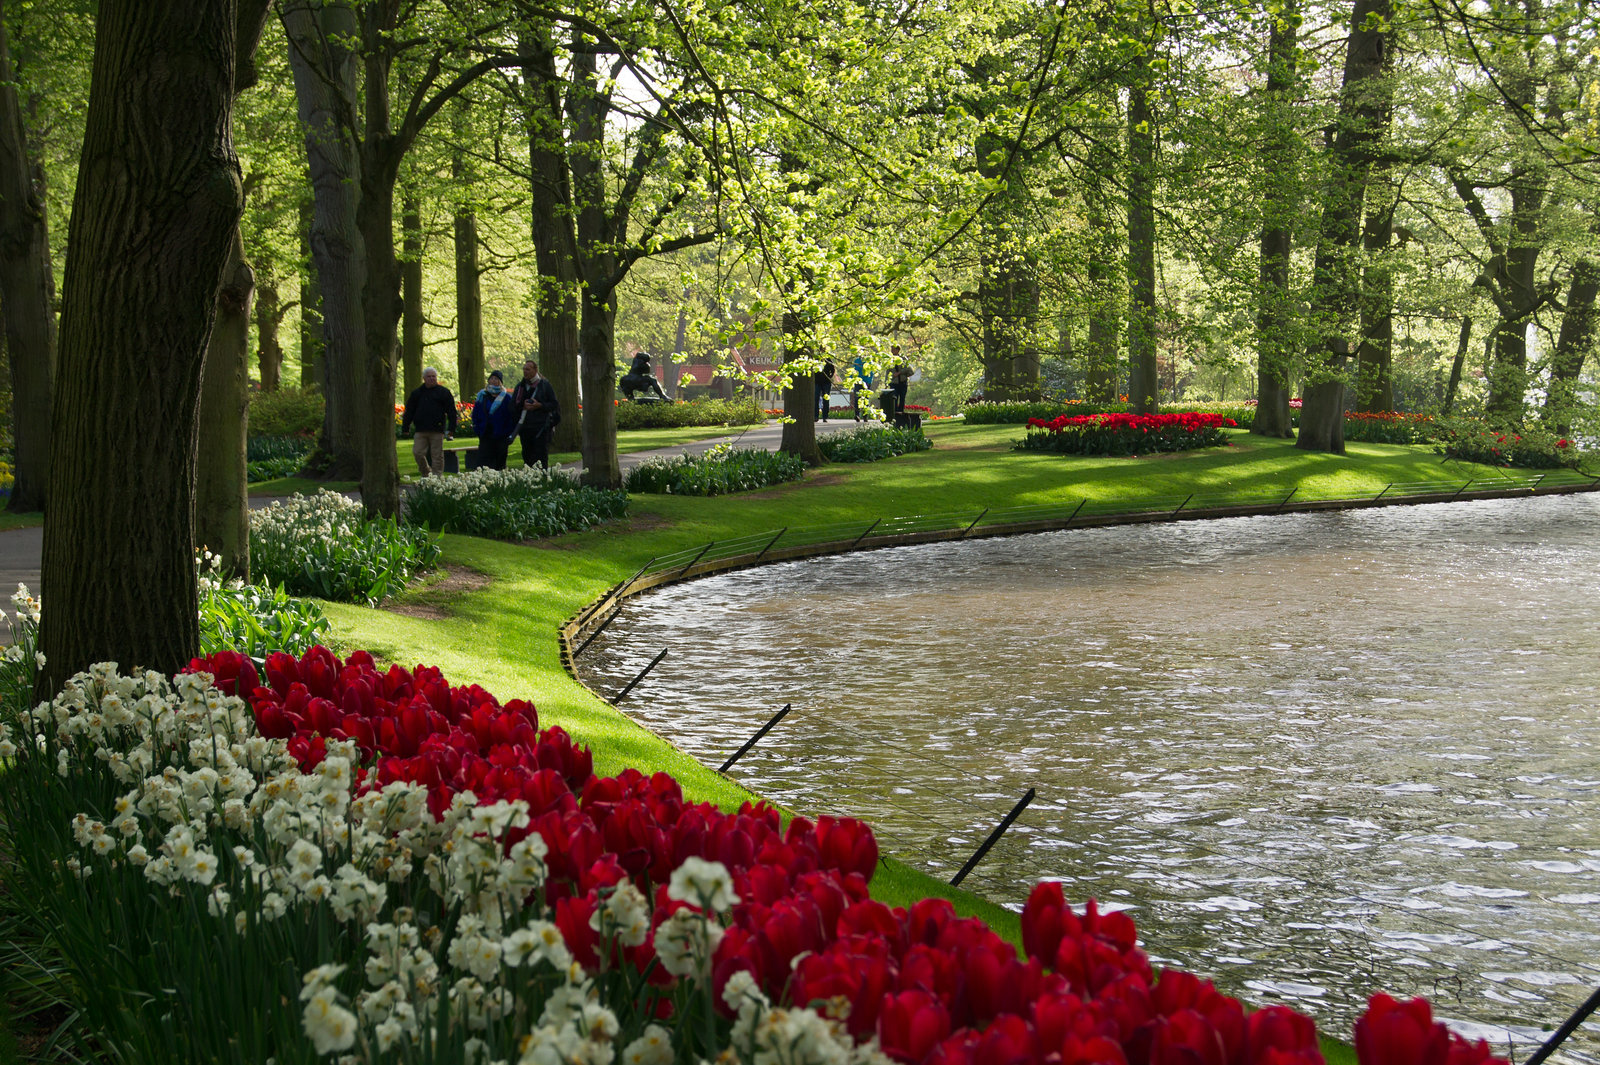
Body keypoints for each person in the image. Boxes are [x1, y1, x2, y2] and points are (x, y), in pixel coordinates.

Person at [401, 366, 457, 477]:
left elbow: (451, 412)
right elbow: (409, 411)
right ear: (424, 378)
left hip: (437, 429)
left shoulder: (444, 393)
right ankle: (426, 472)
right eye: (429, 376)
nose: (432, 379)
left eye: (434, 376)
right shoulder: (417, 394)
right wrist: (405, 427)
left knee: (437, 455)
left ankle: (437, 477)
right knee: (417, 452)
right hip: (421, 429)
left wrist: (451, 428)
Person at [510, 357, 561, 469]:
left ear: (535, 370)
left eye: (528, 369)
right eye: (524, 369)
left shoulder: (544, 385)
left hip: (541, 428)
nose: (525, 371)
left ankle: (542, 480)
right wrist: (522, 405)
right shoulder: (520, 387)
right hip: (525, 428)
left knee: (541, 456)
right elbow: (513, 406)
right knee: (527, 456)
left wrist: (539, 405)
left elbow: (554, 404)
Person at [471, 369, 518, 471]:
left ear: (500, 382)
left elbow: (511, 416)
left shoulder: (506, 398)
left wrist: (507, 431)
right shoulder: (482, 396)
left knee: (499, 462)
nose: (493, 381)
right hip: (485, 433)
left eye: (496, 379)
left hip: (501, 435)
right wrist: (477, 428)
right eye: (491, 378)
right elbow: (476, 414)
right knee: (483, 462)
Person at [889, 346, 912, 422]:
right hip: (894, 383)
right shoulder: (890, 359)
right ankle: (895, 414)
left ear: (898, 350)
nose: (892, 351)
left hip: (902, 382)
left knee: (902, 398)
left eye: (893, 349)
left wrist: (899, 373)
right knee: (894, 398)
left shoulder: (903, 358)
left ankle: (901, 413)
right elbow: (888, 371)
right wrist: (887, 381)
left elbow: (908, 369)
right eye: (891, 349)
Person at [851, 355, 874, 421]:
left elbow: (871, 373)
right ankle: (857, 415)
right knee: (857, 398)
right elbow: (853, 371)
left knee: (865, 399)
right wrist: (851, 380)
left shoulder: (869, 361)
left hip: (866, 382)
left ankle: (865, 415)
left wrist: (869, 382)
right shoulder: (856, 361)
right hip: (858, 382)